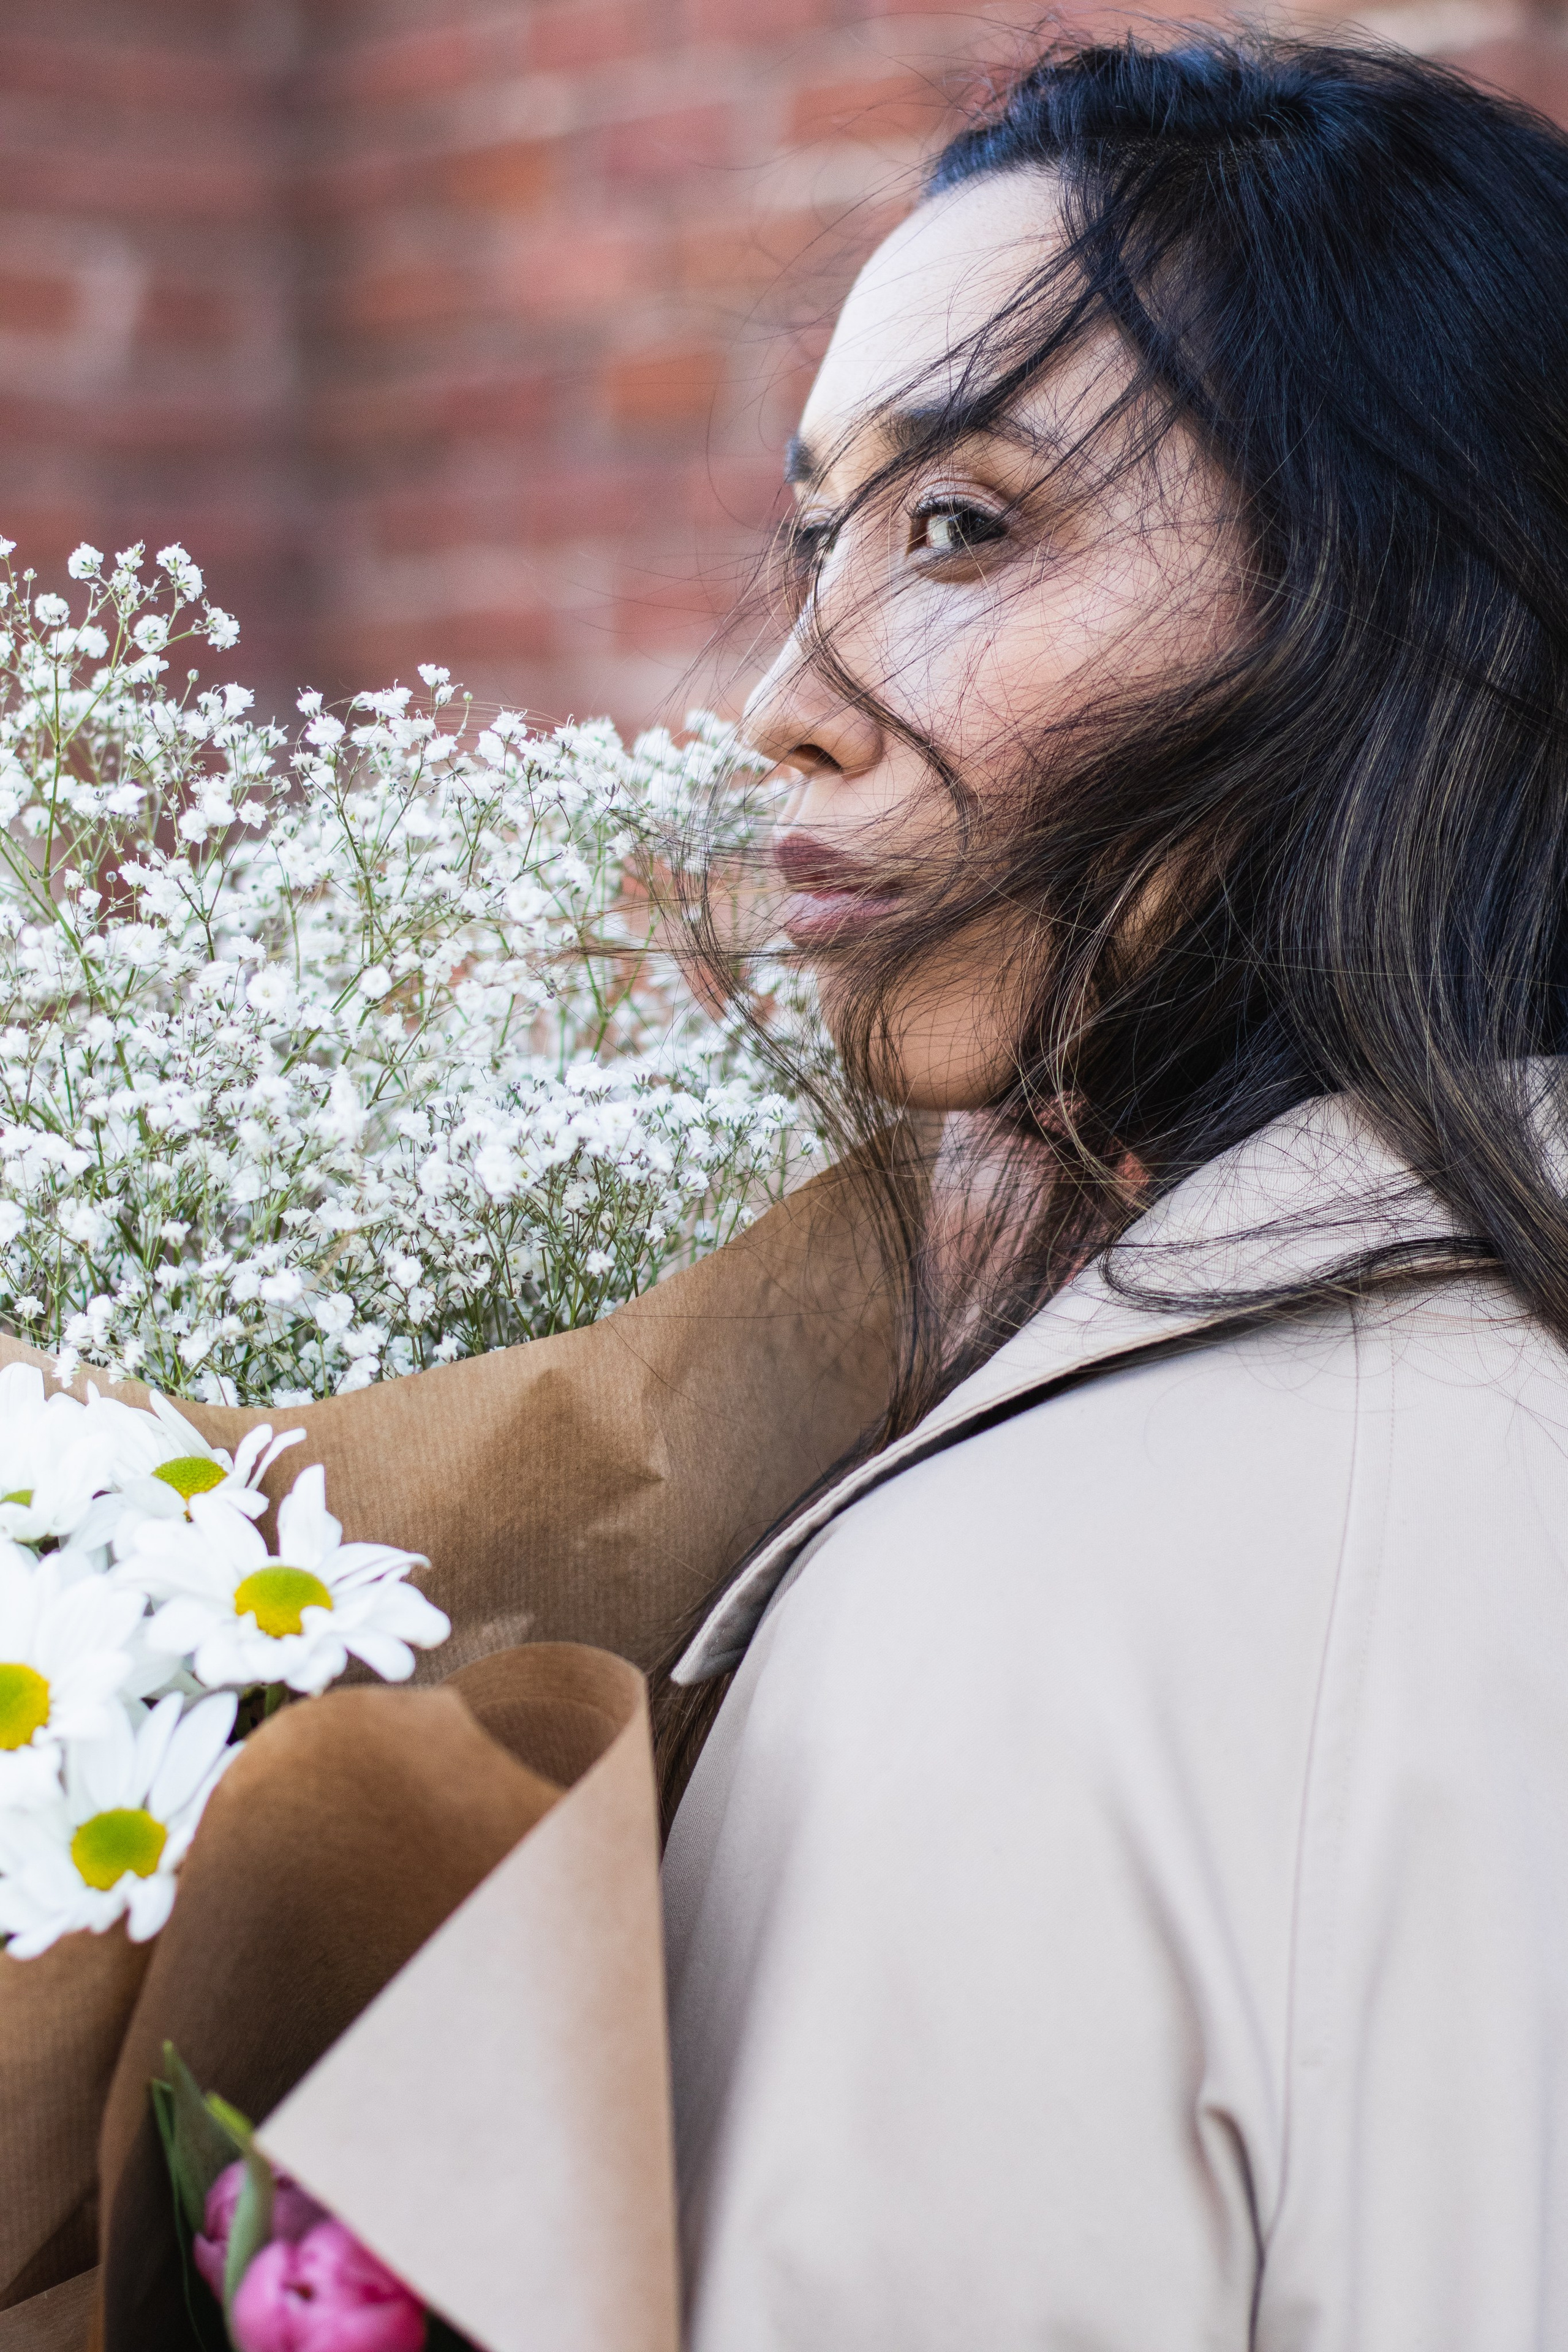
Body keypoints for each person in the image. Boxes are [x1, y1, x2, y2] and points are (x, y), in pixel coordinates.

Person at [657, 33, 1568, 2350]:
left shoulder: (1008, 1605)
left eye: (960, 522)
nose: (787, 688)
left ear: (1417, 598)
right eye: (812, 536)